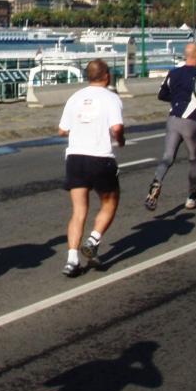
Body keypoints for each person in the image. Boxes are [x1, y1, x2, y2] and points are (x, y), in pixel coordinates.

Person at [58, 59, 125, 277]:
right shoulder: (111, 98)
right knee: (110, 201)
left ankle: (71, 260)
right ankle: (93, 240)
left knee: (78, 212)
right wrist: (121, 140)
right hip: (99, 158)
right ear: (106, 77)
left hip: (75, 158)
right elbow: (116, 127)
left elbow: (62, 130)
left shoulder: (75, 97)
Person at [145, 42, 196, 212]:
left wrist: (176, 100)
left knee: (167, 157)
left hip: (173, 118)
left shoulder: (173, 73)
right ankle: (192, 196)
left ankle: (157, 182)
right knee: (194, 159)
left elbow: (162, 94)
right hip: (190, 120)